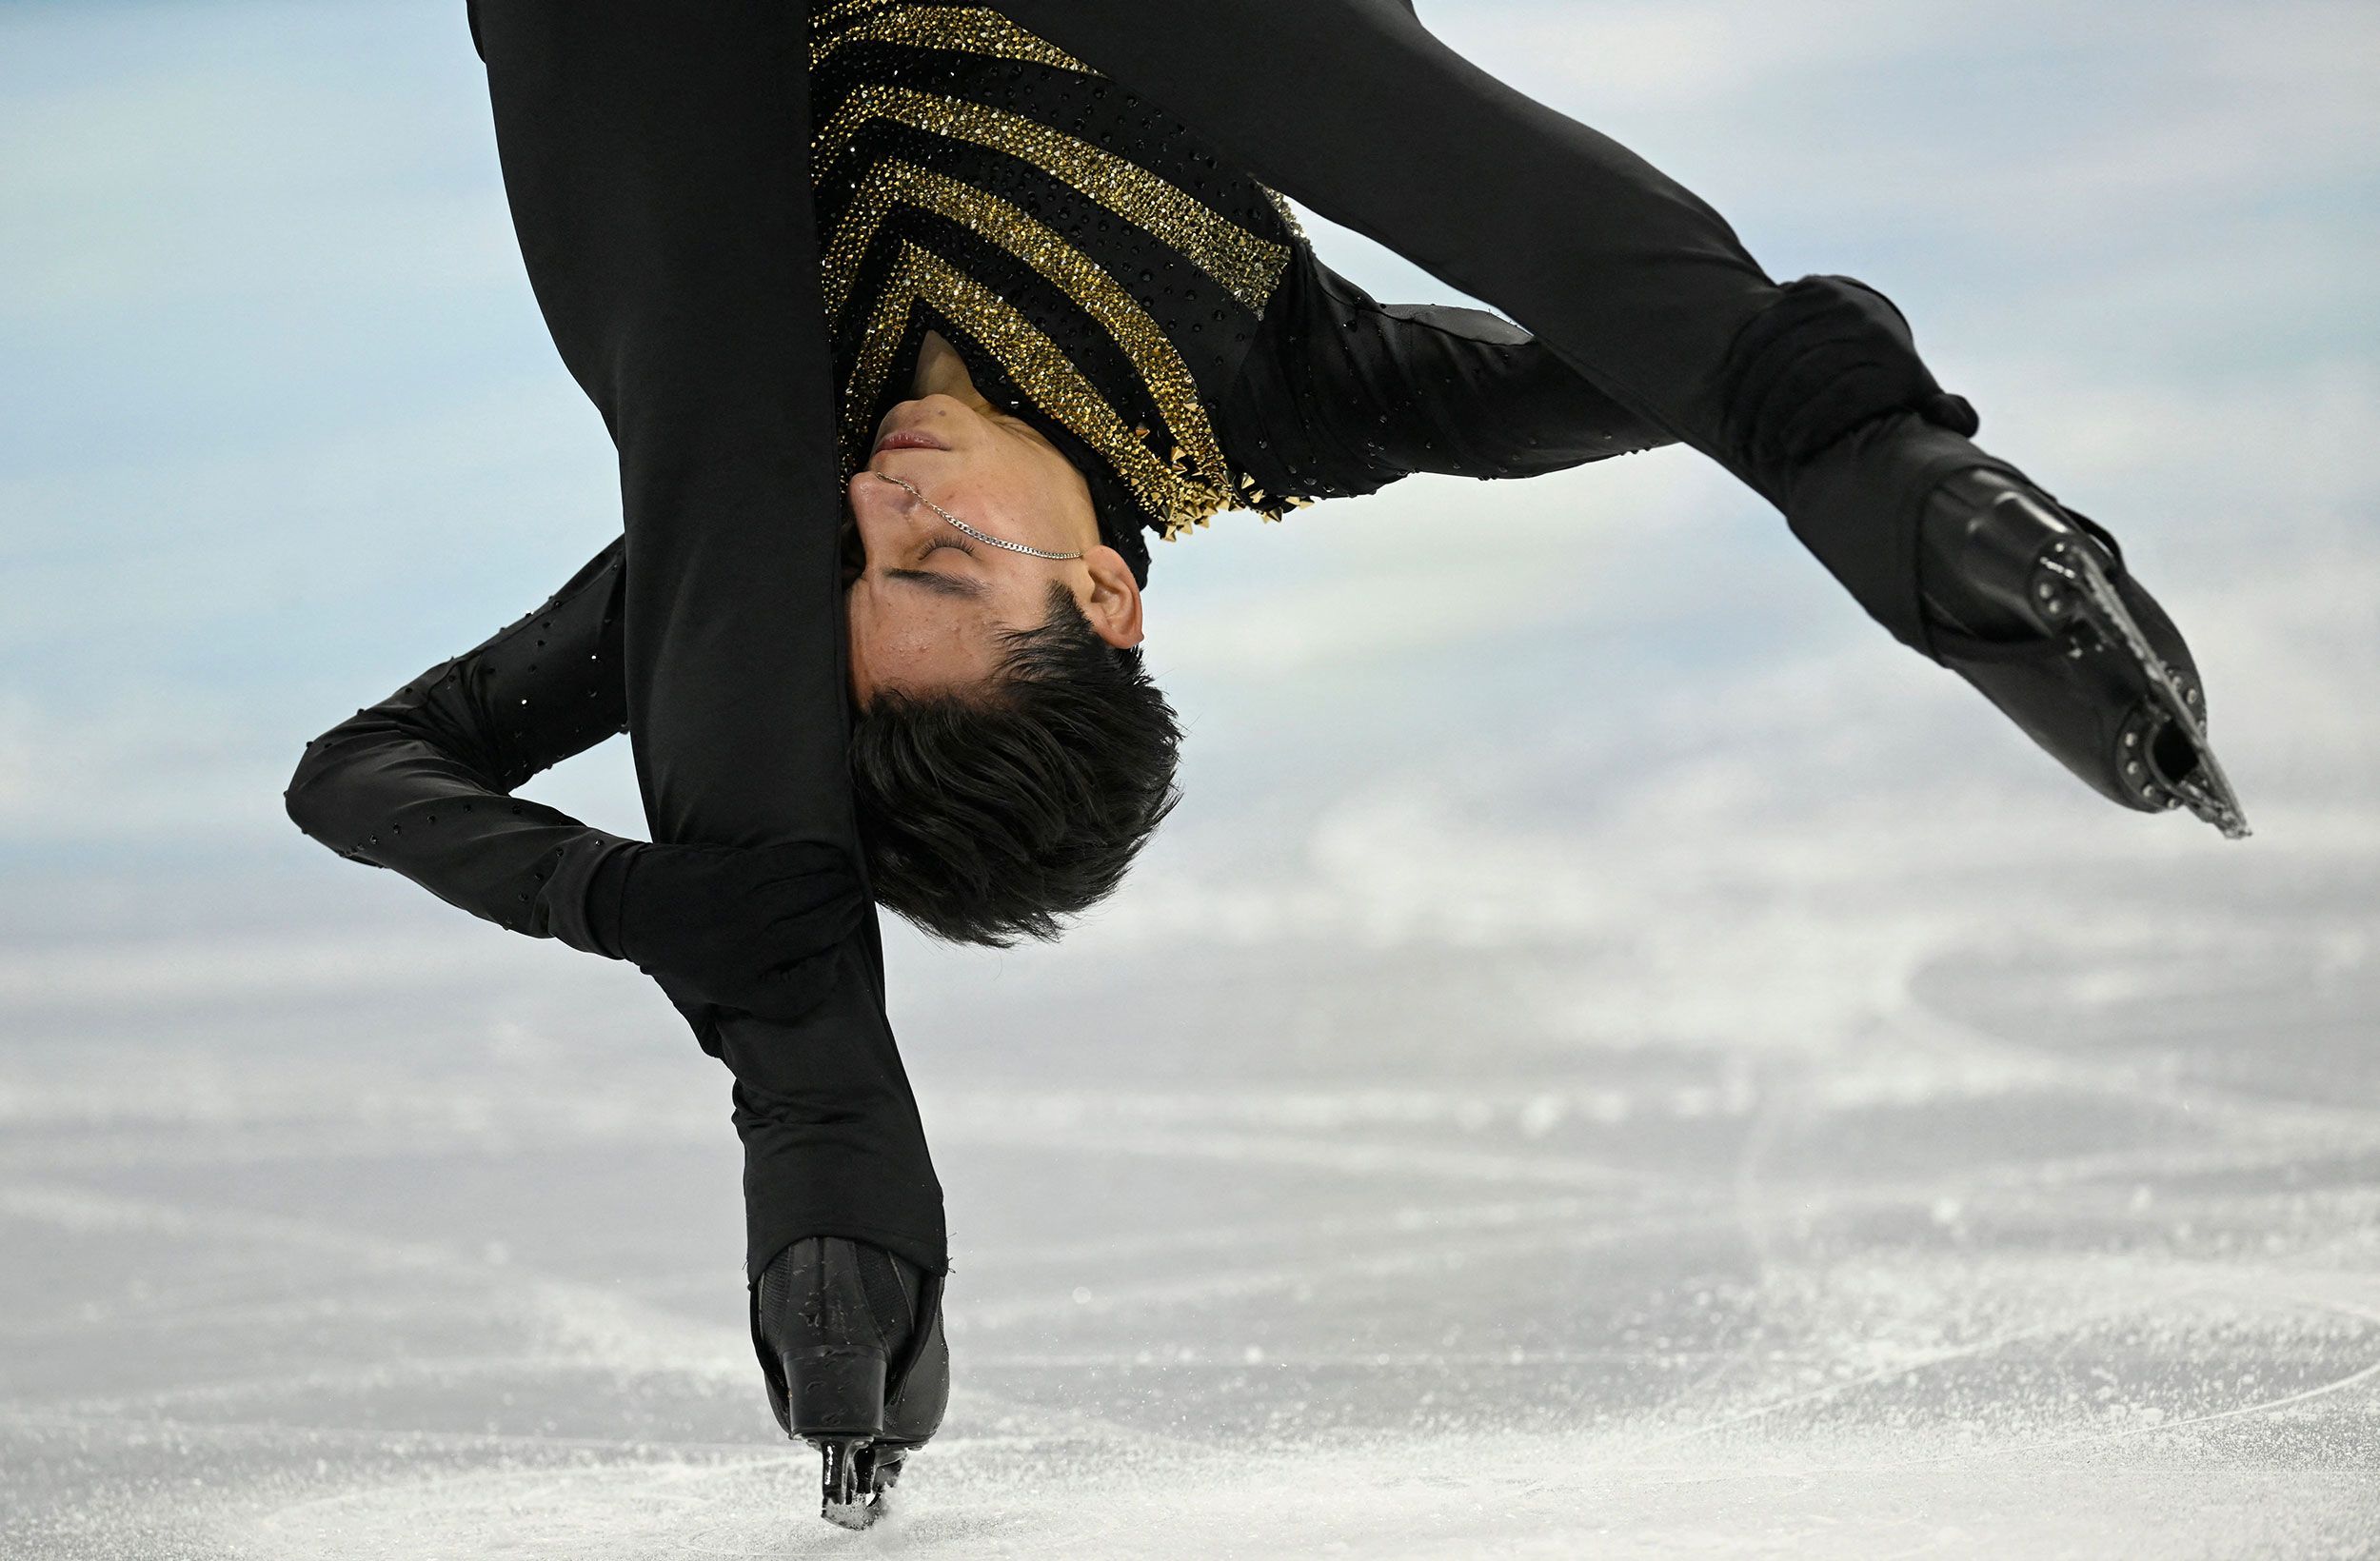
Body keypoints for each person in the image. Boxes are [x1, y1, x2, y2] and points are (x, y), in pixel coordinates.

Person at [286, 0, 2246, 1529]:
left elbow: (367, 766)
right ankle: (1879, 486)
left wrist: (622, 894)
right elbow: (1730, 324)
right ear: (1103, 600)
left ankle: (813, 1109)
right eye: (942, 556)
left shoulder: (755, 505)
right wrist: (1780, 381)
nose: (878, 492)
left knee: (713, 466)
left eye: (851, 564)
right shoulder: (1299, 395)